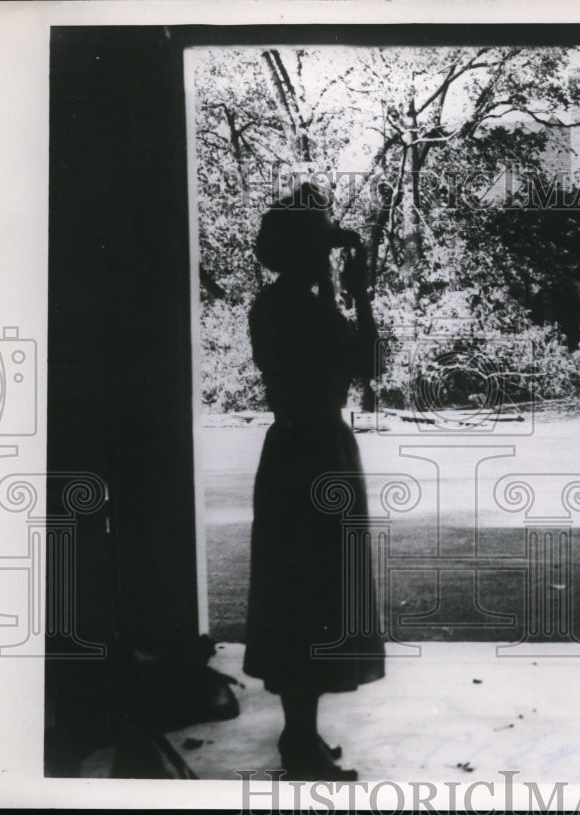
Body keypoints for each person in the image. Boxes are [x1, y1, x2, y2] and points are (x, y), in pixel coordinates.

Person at [242, 182, 383, 780]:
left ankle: (300, 734)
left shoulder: (277, 304)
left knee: (297, 592)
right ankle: (299, 741)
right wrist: (360, 294)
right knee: (316, 591)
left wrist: (337, 285)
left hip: (294, 451)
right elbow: (367, 365)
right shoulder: (302, 307)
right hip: (319, 452)